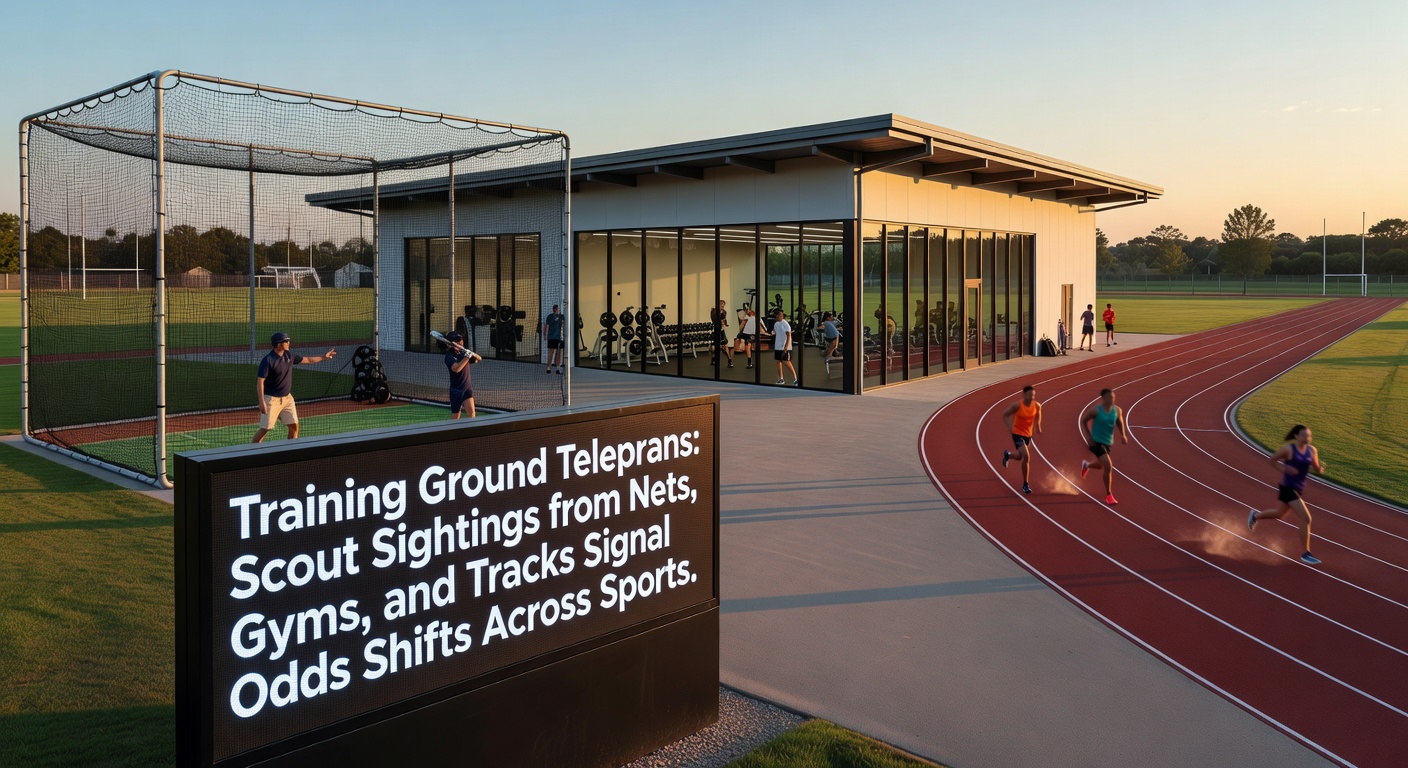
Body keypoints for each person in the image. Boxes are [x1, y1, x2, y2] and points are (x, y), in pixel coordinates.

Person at [1247, 425, 1326, 565]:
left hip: (1298, 488)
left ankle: (1255, 516)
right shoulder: (1289, 449)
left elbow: (1314, 466)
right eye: (1304, 435)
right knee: (1306, 518)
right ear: (1296, 436)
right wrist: (1285, 468)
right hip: (1288, 488)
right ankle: (1306, 553)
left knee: (1279, 514)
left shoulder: (1312, 450)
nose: (1307, 438)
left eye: (1309, 435)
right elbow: (1272, 460)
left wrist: (1319, 469)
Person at [251, 332, 337, 443]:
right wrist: (262, 402)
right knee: (265, 429)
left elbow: (308, 360)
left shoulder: (289, 356)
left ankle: (291, 449)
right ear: (279, 344)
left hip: (287, 399)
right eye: (286, 341)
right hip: (271, 400)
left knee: (294, 426)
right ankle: (253, 450)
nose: (288, 343)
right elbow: (260, 382)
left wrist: (323, 357)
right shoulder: (268, 360)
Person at [1080, 388, 1128, 504]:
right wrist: (1089, 437)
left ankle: (1087, 465)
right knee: (1108, 465)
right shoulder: (1096, 410)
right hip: (1095, 442)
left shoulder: (1117, 410)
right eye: (1110, 397)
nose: (1112, 399)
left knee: (1101, 465)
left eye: (1113, 397)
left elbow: (1120, 421)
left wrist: (1123, 435)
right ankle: (1109, 495)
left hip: (1108, 442)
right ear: (1103, 398)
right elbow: (1083, 421)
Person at [1000, 385, 1043, 494]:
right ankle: (1025, 485)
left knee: (1019, 457)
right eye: (1029, 395)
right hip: (1017, 433)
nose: (1031, 397)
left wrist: (1038, 425)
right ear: (1024, 395)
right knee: (1026, 456)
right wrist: (1009, 427)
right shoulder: (1017, 406)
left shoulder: (1037, 405)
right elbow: (1005, 414)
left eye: (1033, 395)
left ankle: (1008, 455)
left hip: (1028, 435)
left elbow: (1038, 414)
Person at [443, 330, 482, 419]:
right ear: (452, 343)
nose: (461, 341)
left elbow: (479, 359)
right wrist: (467, 357)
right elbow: (456, 369)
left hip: (467, 388)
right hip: (456, 391)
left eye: (461, 339)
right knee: (456, 416)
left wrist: (469, 353)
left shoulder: (463, 353)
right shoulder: (449, 356)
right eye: (458, 340)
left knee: (472, 414)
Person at [769, 308, 798, 386]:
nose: (780, 316)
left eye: (781, 315)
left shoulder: (785, 323)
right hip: (778, 346)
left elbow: (788, 335)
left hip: (785, 346)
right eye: (778, 315)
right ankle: (781, 379)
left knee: (787, 361)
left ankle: (795, 378)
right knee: (779, 362)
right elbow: (774, 332)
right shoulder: (776, 324)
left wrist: (786, 346)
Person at [542, 304, 566, 374]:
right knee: (551, 353)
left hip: (558, 338)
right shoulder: (550, 316)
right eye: (555, 309)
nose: (556, 310)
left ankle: (557, 368)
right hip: (552, 337)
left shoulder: (561, 316)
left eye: (556, 309)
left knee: (558, 353)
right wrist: (545, 335)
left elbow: (562, 326)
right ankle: (549, 368)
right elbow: (546, 326)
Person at [711, 300, 734, 368]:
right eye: (721, 304)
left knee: (724, 345)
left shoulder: (724, 312)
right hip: (716, 330)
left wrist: (725, 323)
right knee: (716, 346)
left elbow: (724, 319)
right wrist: (721, 321)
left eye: (723, 305)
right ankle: (714, 359)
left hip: (721, 330)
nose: (722, 306)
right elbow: (714, 320)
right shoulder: (713, 311)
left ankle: (729, 360)